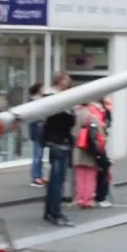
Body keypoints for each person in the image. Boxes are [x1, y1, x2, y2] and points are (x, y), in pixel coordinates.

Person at [41, 72, 75, 227]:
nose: (69, 83)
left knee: (56, 180)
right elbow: (64, 121)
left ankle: (50, 211)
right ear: (61, 82)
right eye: (66, 80)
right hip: (59, 142)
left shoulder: (52, 98)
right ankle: (55, 213)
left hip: (56, 142)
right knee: (57, 181)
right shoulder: (55, 100)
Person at [27, 83, 46, 187]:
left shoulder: (40, 100)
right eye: (42, 88)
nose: (44, 90)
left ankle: (39, 175)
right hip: (37, 130)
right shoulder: (34, 102)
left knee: (40, 155)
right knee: (37, 155)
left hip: (41, 130)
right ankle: (35, 177)